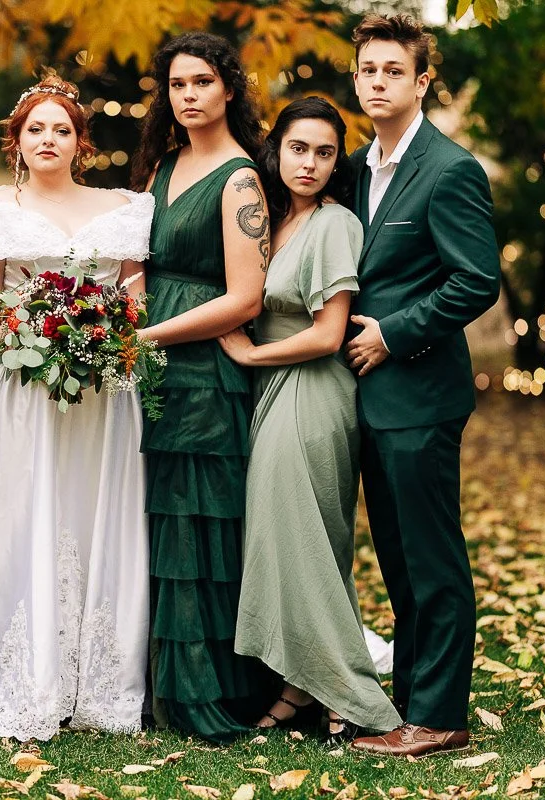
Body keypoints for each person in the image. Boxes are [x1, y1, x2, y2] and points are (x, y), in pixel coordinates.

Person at [0, 74, 154, 742]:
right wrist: (38, 337)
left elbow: (135, 305)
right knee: (19, 515)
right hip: (21, 389)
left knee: (96, 514)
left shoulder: (124, 208)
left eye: (62, 129)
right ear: (18, 140)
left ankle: (101, 679)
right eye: (36, 129)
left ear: (80, 141)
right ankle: (17, 675)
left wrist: (97, 343)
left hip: (104, 396)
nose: (48, 139)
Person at [219, 97, 403, 740]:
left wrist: (251, 353)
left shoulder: (334, 224)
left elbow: (329, 334)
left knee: (310, 548)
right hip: (275, 394)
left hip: (313, 394)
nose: (311, 163)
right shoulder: (274, 221)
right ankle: (301, 689)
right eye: (299, 148)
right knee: (287, 545)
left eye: (326, 152)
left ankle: (351, 698)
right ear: (277, 150)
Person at [343, 14, 500, 758]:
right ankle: (411, 700)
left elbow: (476, 280)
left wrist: (393, 332)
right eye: (367, 70)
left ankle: (440, 718)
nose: (378, 82)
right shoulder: (354, 168)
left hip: (421, 394)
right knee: (398, 562)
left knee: (433, 560)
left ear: (422, 80)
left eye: (393, 71)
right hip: (368, 401)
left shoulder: (450, 169)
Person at [131, 32, 270, 743]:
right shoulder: (165, 165)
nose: (187, 95)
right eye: (177, 84)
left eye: (202, 83)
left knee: (203, 527)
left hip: (206, 374)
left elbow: (246, 297)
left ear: (228, 90)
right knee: (162, 524)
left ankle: (213, 691)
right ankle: (165, 684)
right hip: (155, 372)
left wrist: (150, 335)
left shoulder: (242, 178)